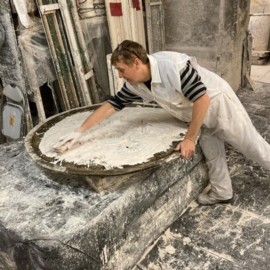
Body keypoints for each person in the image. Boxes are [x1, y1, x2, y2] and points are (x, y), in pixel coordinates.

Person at [53, 40, 270, 205]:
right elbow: (113, 105)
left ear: (136, 63)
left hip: (217, 103)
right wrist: (79, 131)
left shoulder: (172, 66)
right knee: (212, 150)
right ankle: (222, 192)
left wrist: (189, 138)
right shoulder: (136, 84)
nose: (120, 76)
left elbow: (201, 99)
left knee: (253, 147)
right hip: (194, 113)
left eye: (121, 70)